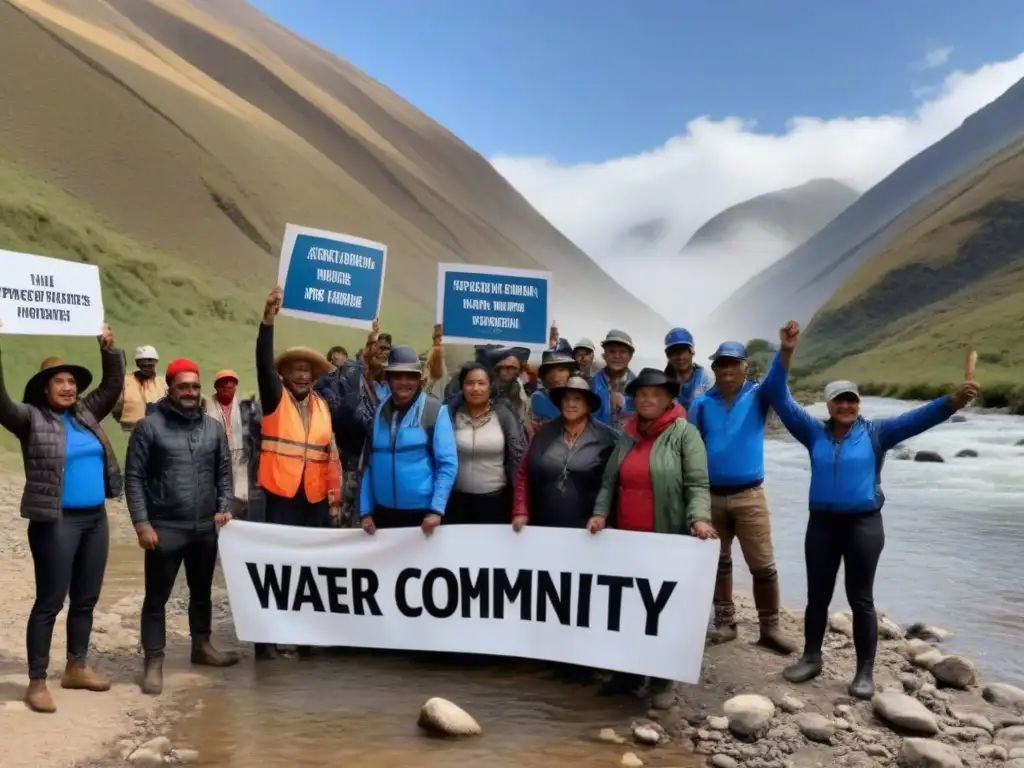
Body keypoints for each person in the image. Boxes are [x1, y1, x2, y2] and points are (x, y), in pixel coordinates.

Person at [768, 321, 980, 699]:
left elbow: (917, 419)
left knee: (860, 598)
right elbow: (778, 395)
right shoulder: (812, 432)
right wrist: (786, 352)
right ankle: (811, 658)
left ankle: (864, 672)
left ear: (858, 403)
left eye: (852, 399)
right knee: (817, 594)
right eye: (839, 400)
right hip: (821, 526)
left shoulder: (877, 433)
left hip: (863, 525)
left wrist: (953, 401)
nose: (846, 405)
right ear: (829, 405)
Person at [0, 326, 123, 713]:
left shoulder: (87, 413)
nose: (68, 388)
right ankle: (37, 681)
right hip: (55, 522)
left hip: (95, 520)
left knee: (85, 599)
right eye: (60, 381)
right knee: (50, 601)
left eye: (72, 381)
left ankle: (76, 666)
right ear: (44, 388)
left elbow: (113, 385)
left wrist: (108, 349)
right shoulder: (29, 419)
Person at [589, 367, 716, 707]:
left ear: (668, 399)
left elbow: (697, 484)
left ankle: (661, 680)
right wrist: (600, 513)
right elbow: (609, 482)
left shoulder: (684, 434)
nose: (647, 399)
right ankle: (626, 674)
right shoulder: (626, 434)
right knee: (626, 608)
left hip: (665, 539)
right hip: (626, 541)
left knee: (661, 608)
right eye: (641, 393)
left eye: (655, 394)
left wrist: (699, 519)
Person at [125, 357, 240, 696]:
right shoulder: (150, 426)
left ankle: (201, 647)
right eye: (183, 386)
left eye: (194, 386)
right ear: (170, 388)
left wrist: (223, 507)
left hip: (204, 527)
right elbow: (134, 478)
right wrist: (142, 524)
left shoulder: (212, 427)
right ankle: (154, 662)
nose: (190, 392)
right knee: (157, 598)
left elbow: (223, 473)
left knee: (201, 592)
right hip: (165, 526)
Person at [688, 341, 796, 655]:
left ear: (745, 367)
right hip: (711, 494)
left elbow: (778, 377)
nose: (726, 370)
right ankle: (725, 623)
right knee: (718, 562)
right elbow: (693, 449)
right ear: (714, 369)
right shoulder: (702, 404)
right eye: (721, 364)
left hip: (750, 495)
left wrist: (787, 349)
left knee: (762, 564)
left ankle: (770, 629)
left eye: (733, 364)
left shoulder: (759, 395)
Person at [512, 375, 617, 684]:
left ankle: (583, 659)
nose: (571, 403)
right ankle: (551, 656)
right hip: (546, 528)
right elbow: (523, 476)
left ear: (588, 404)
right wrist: (520, 510)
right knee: (548, 592)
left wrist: (604, 517)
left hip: (587, 531)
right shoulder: (543, 435)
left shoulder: (607, 438)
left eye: (578, 399)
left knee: (583, 595)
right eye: (566, 398)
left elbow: (612, 484)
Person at [360, 346, 458, 534]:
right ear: (388, 379)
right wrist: (365, 511)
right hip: (383, 514)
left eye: (411, 376)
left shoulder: (435, 411)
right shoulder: (378, 412)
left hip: (423, 516)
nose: (404, 382)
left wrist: (436, 510)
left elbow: (447, 465)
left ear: (419, 380)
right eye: (397, 376)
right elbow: (368, 465)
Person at [445, 363, 525, 524]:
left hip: (496, 501)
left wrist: (519, 505)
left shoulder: (504, 415)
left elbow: (518, 458)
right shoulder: (450, 415)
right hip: (457, 501)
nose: (475, 388)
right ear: (462, 386)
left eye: (481, 383)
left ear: (490, 386)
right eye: (469, 383)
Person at [204, 370, 263, 522]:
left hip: (240, 455)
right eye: (223, 385)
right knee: (217, 491)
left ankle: (239, 520)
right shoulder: (206, 409)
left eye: (231, 385)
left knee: (241, 494)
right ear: (216, 387)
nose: (228, 388)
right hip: (215, 457)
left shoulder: (244, 408)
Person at [113, 344, 166, 433]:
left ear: (155, 362)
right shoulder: (125, 381)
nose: (147, 364)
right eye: (143, 363)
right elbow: (116, 407)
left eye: (150, 362)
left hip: (157, 430)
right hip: (129, 429)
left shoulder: (163, 382)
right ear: (138, 363)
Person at [590, 330, 637, 428]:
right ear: (605, 355)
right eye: (612, 351)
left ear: (630, 356)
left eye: (622, 352)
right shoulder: (591, 385)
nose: (617, 356)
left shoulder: (639, 387)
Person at [663, 328, 714, 412]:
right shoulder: (663, 385)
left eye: (683, 351)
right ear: (668, 356)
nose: (680, 357)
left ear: (692, 352)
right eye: (674, 352)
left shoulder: (708, 380)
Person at [527, 347, 578, 431]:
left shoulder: (571, 395)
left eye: (566, 370)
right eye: (560, 369)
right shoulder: (539, 397)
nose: (564, 374)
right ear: (546, 375)